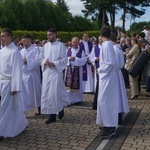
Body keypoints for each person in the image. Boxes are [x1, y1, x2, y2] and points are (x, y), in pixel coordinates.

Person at [0, 28, 28, 140]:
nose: (1, 38)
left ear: (9, 37)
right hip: (1, 81)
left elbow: (17, 70)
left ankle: (2, 131)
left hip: (9, 83)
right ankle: (21, 123)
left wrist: (15, 86)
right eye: (1, 36)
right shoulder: (1, 51)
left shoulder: (14, 51)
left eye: (3, 36)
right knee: (9, 107)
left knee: (5, 107)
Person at [40, 28, 70, 124]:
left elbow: (64, 60)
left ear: (55, 35)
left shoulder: (60, 46)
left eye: (51, 34)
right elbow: (41, 58)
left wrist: (53, 63)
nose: (49, 36)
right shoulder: (45, 46)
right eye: (47, 35)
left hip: (55, 72)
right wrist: (44, 62)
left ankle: (54, 114)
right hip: (46, 73)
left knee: (54, 93)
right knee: (47, 93)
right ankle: (54, 112)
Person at [96, 26, 118, 138]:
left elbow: (110, 63)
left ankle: (110, 127)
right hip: (106, 77)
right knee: (103, 100)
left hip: (107, 77)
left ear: (101, 35)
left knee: (104, 100)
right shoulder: (106, 45)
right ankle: (107, 123)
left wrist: (99, 70)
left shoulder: (107, 45)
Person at [110, 33, 129, 125]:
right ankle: (118, 116)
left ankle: (117, 117)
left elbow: (115, 64)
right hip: (117, 74)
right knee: (118, 95)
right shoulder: (118, 49)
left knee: (116, 96)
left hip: (115, 75)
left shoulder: (115, 50)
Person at [20, 34, 41, 115]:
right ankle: (24, 110)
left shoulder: (36, 50)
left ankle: (39, 108)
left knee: (35, 94)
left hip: (32, 75)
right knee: (24, 95)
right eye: (22, 41)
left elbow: (38, 61)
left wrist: (27, 61)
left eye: (24, 41)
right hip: (23, 75)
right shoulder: (21, 51)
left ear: (29, 40)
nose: (23, 42)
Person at [64, 37, 86, 104]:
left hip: (77, 71)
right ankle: (68, 100)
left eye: (76, 42)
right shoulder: (68, 50)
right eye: (73, 42)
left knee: (77, 86)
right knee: (68, 86)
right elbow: (64, 59)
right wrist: (69, 59)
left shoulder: (81, 51)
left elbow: (84, 61)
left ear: (79, 43)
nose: (74, 44)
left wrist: (75, 59)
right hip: (69, 70)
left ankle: (77, 100)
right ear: (71, 42)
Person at [89, 36, 102, 110]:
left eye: (101, 39)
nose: (101, 40)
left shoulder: (105, 47)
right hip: (97, 67)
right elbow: (91, 57)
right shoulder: (95, 48)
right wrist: (95, 59)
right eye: (99, 39)